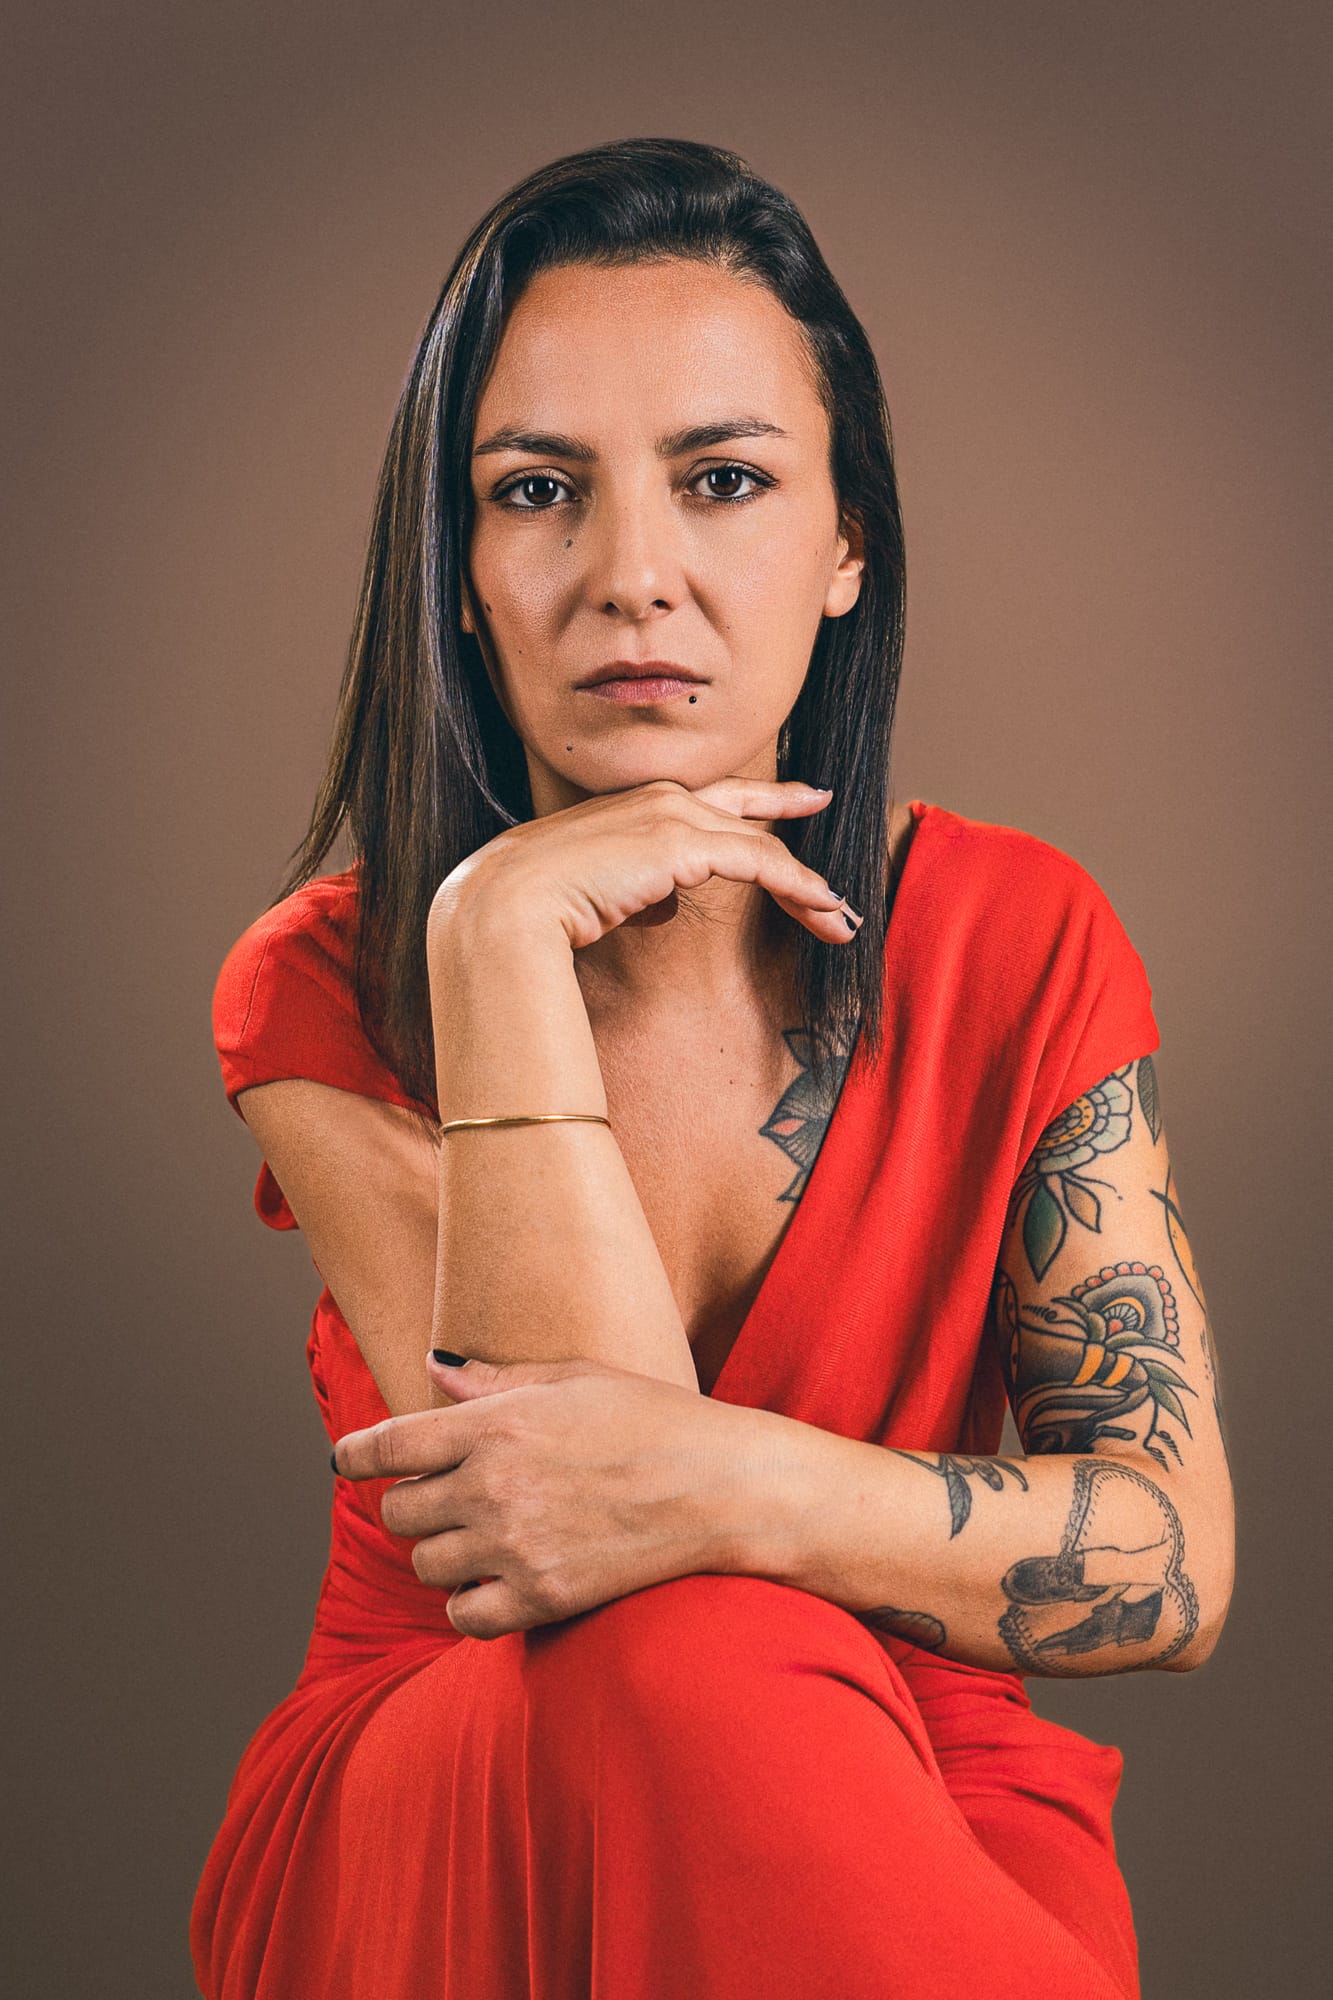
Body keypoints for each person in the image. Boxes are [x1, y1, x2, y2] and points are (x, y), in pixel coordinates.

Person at [190, 138, 1234, 1999]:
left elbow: (1169, 1566)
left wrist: (728, 1481)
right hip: (471, 1775)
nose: (630, 578)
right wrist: (496, 937)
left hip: (932, 1781)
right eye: (535, 492)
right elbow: (580, 1547)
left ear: (845, 548)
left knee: (717, 1654)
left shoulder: (1020, 935)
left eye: (723, 480)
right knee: (681, 1655)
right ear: (457, 574)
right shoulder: (327, 984)